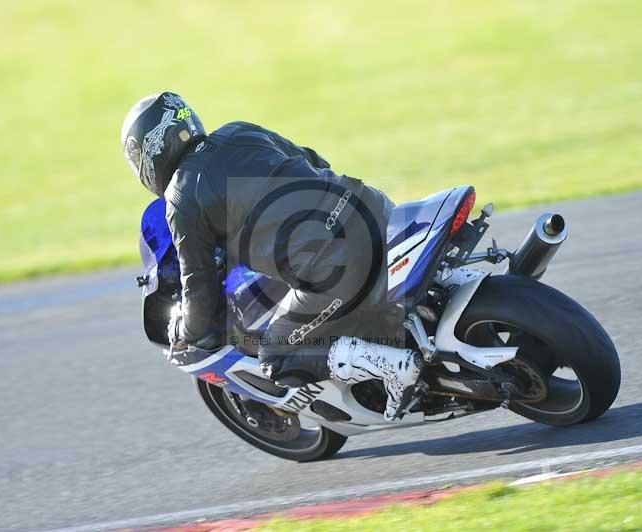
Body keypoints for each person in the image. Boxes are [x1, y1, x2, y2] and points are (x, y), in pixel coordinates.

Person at [121, 91, 421, 420]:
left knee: (276, 354)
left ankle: (395, 367)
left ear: (150, 150)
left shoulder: (180, 199)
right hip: (371, 209)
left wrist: (186, 334)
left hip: (333, 264)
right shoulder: (238, 131)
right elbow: (313, 160)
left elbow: (199, 283)